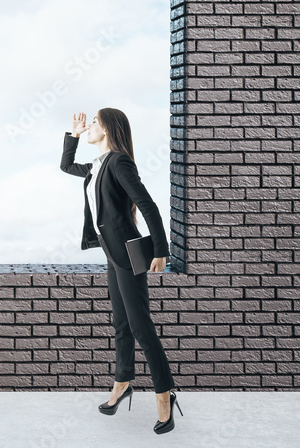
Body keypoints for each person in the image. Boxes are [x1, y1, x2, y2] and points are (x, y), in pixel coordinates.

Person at [60, 109, 183, 434]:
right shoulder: (98, 166)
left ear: (109, 129)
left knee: (141, 327)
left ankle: (164, 396)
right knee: (121, 325)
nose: (90, 126)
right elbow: (66, 166)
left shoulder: (119, 162)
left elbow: (148, 205)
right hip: (113, 254)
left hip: (128, 254)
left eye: (95, 123)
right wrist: (72, 136)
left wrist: (160, 249)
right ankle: (123, 382)